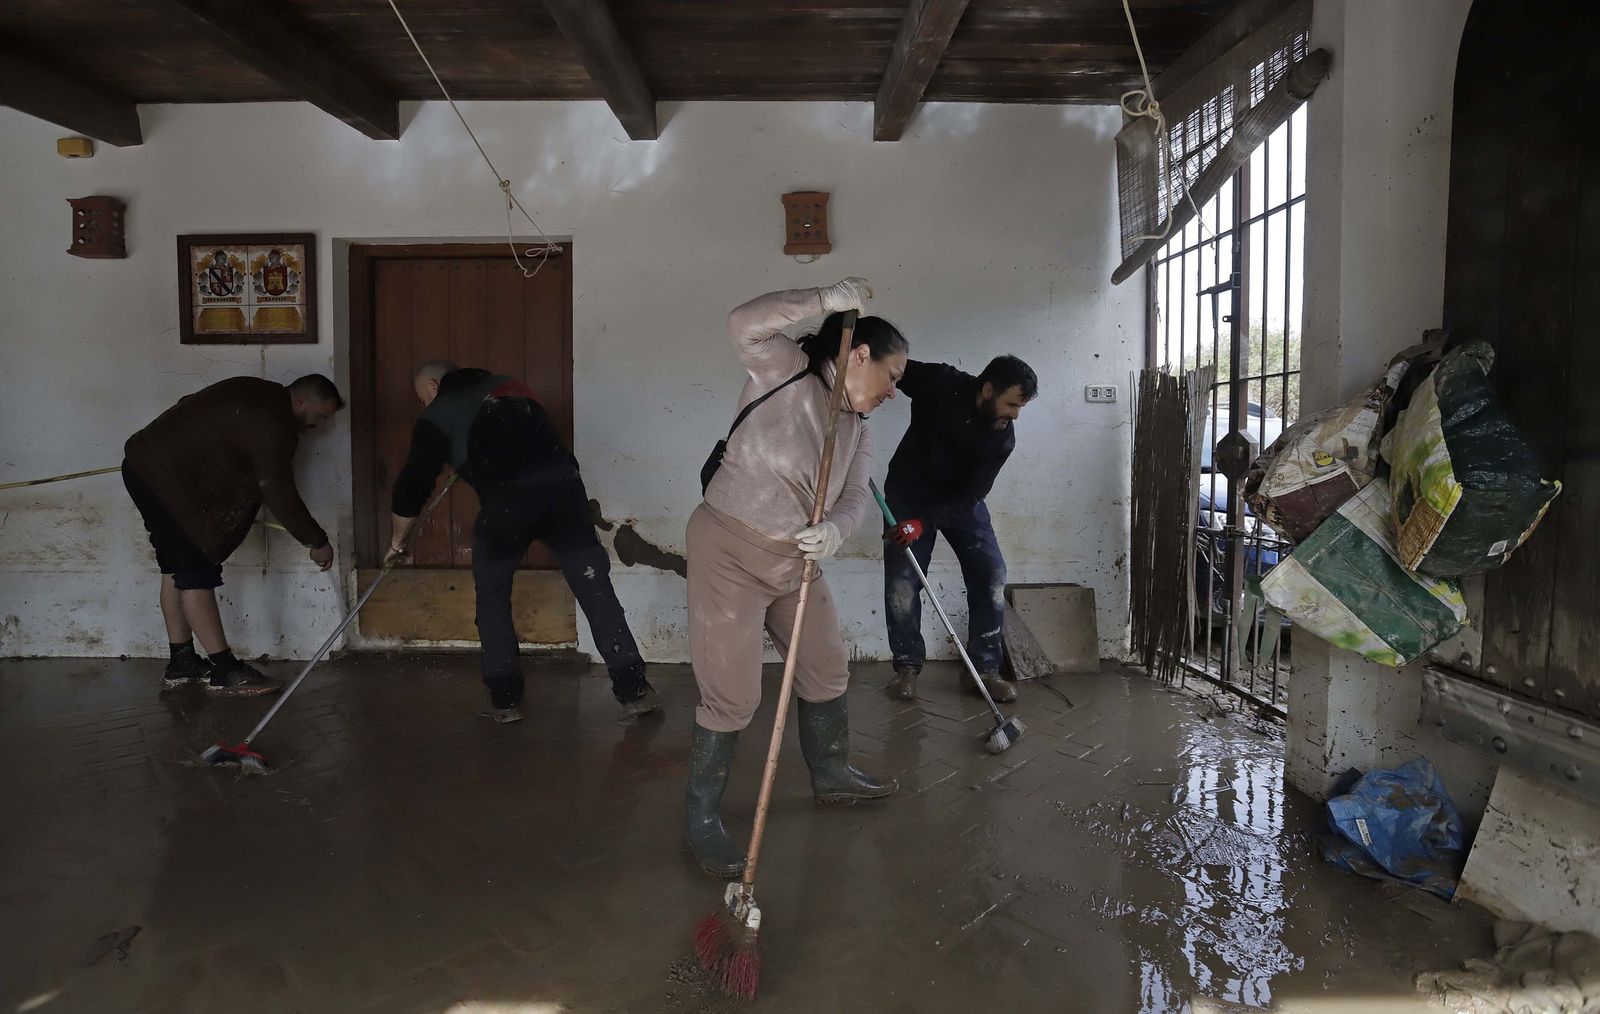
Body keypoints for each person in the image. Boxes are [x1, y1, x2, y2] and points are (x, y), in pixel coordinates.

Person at [684, 278, 905, 879]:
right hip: (729, 548)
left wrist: (835, 528)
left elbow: (856, 493)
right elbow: (742, 322)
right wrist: (823, 299)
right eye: (891, 377)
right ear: (859, 354)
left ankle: (831, 774)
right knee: (733, 695)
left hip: (796, 563)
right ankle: (702, 820)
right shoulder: (785, 369)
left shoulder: (858, 427)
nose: (893, 391)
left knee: (826, 667)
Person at [387, 362, 657, 725]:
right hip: (566, 493)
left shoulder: (440, 412)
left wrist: (397, 541)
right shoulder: (514, 387)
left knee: (493, 594)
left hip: (508, 504)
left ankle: (504, 698)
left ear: (434, 386)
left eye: (423, 399)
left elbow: (412, 485)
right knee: (595, 588)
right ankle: (634, 690)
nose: (425, 406)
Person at [123, 374, 342, 696]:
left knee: (174, 569)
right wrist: (316, 541)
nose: (319, 424)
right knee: (196, 572)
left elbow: (188, 404)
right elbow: (277, 491)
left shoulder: (251, 389)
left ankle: (182, 663)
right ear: (301, 401)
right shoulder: (275, 424)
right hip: (165, 482)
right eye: (320, 416)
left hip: (142, 466)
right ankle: (224, 670)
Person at [881, 355, 1037, 703]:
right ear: (987, 389)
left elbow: (971, 496)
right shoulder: (940, 382)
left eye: (1020, 407)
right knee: (903, 582)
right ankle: (906, 669)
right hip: (908, 494)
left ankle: (983, 671)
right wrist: (862, 395)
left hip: (959, 503)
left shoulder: (1002, 439)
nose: (1015, 415)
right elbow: (889, 365)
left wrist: (925, 523)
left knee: (991, 572)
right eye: (1012, 404)